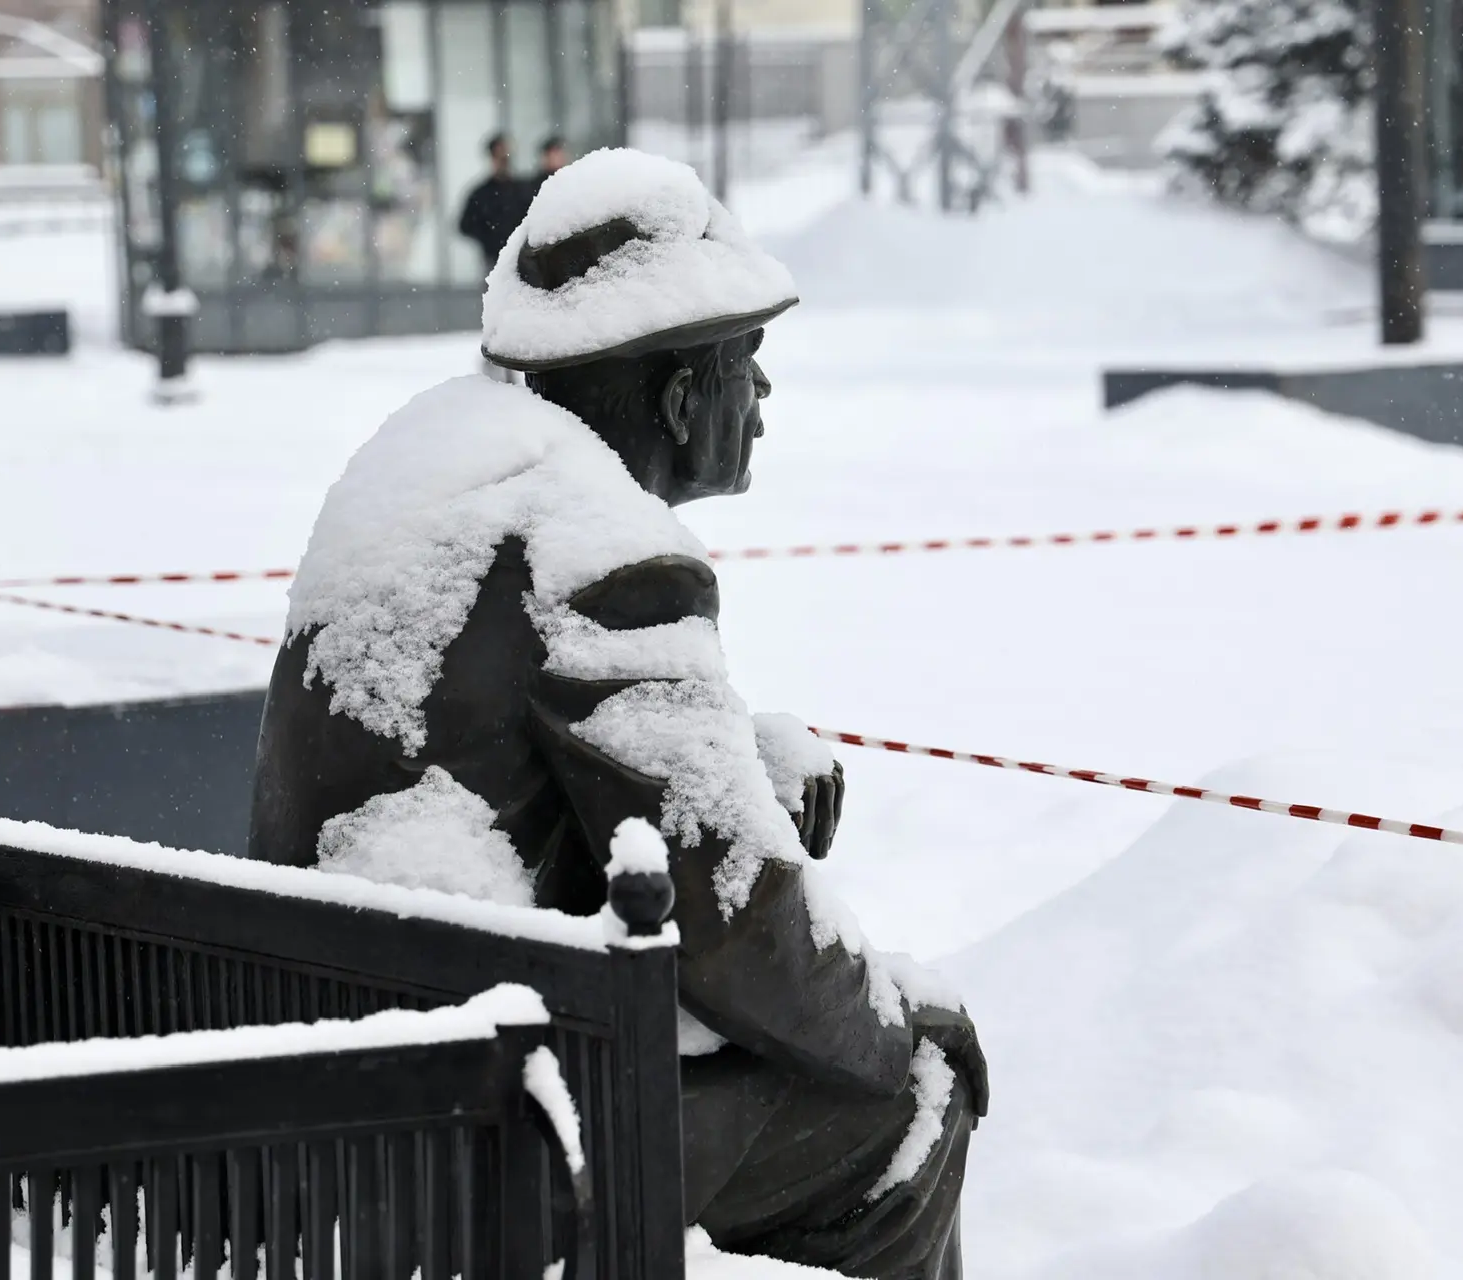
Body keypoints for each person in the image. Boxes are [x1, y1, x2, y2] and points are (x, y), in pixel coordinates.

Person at [247, 149, 985, 1280]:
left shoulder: (420, 469)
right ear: (685, 394)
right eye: (748, 362)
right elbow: (736, 919)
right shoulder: (603, 552)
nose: (765, 397)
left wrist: (745, 767)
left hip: (355, 1071)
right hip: (490, 1128)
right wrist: (895, 1024)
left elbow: (509, 770)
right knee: (912, 1098)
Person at [457, 132, 529, 271]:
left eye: (505, 156)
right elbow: (464, 225)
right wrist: (489, 238)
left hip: (522, 259)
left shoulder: (523, 190)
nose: (503, 161)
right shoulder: (480, 194)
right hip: (494, 260)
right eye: (499, 155)